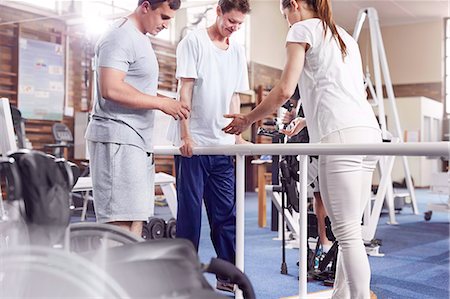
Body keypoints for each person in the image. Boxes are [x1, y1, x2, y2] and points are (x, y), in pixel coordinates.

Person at [222, 0, 382, 298]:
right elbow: (350, 94)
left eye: (285, 16)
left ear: (294, 5)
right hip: (367, 133)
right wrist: (305, 119)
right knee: (352, 232)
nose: (287, 22)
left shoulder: (302, 30)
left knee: (346, 232)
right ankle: (341, 295)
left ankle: (359, 296)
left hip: (340, 137)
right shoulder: (344, 36)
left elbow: (284, 89)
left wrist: (247, 119)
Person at [85, 0, 189, 236]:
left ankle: (130, 274)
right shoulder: (119, 36)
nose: (166, 24)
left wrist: (169, 101)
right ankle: (113, 274)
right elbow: (110, 88)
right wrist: (162, 103)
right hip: (117, 138)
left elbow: (137, 88)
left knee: (135, 220)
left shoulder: (141, 37)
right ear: (145, 7)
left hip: (137, 140)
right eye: (163, 17)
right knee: (118, 225)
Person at [168, 0, 250, 293]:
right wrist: (185, 135)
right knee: (190, 213)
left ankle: (226, 274)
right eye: (230, 21)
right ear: (218, 11)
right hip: (195, 144)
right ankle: (185, 275)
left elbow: (234, 98)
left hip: (221, 145)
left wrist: (236, 136)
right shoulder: (193, 41)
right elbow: (184, 90)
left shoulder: (238, 50)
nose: (234, 28)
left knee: (225, 213)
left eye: (239, 24)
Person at [282, 89, 332, 255]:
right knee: (318, 195)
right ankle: (324, 243)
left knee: (331, 197)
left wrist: (302, 121)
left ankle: (335, 244)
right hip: (310, 147)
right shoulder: (303, 90)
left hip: (330, 143)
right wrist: (294, 117)